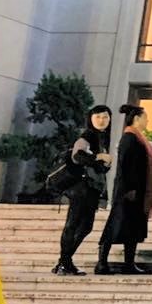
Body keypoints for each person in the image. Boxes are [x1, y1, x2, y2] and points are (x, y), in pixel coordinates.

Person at [95, 104, 152, 275]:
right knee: (115, 226)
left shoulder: (138, 139)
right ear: (137, 118)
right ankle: (101, 263)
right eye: (145, 117)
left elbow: (143, 166)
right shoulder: (129, 138)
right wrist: (129, 189)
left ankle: (129, 263)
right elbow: (125, 167)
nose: (147, 120)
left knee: (132, 229)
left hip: (137, 192)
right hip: (128, 192)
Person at [53, 105, 113, 275]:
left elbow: (99, 167)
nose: (101, 120)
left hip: (91, 188)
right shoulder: (88, 135)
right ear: (90, 119)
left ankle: (64, 262)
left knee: (85, 226)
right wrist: (98, 157)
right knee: (74, 224)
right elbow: (77, 156)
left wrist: (104, 164)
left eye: (105, 117)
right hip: (81, 187)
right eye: (97, 117)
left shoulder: (102, 137)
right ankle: (64, 263)